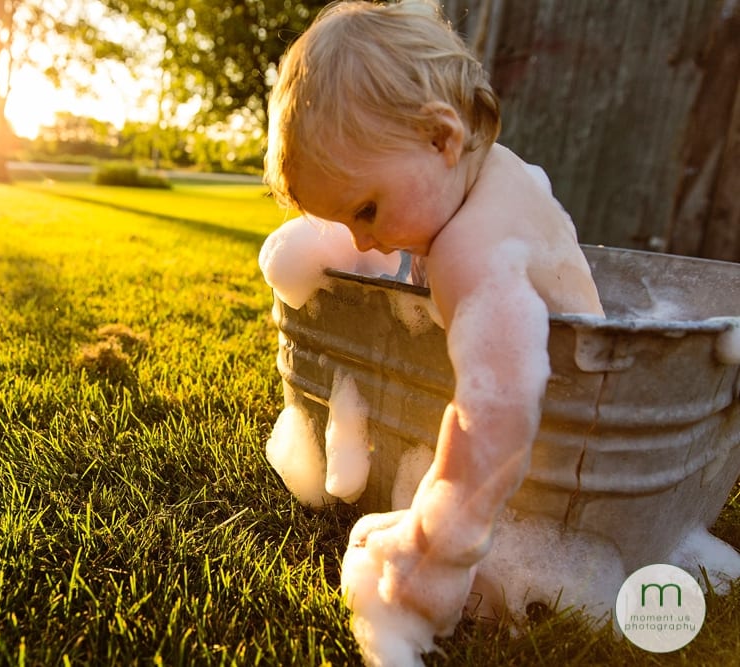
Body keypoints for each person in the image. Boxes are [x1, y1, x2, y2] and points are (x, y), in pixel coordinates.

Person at [263, 1, 605, 664]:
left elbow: (496, 416)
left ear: (442, 138)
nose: (361, 238)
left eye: (366, 209)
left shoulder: (470, 251)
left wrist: (435, 550)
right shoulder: (492, 172)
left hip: (570, 466)